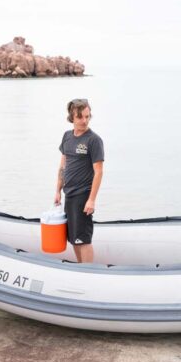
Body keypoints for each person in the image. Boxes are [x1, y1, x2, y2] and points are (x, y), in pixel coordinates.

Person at [54, 98, 104, 263]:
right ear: (72, 118)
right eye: (80, 117)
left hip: (84, 196)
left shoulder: (94, 140)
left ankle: (88, 272)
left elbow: (98, 172)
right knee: (74, 238)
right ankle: (80, 268)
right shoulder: (67, 137)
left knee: (83, 239)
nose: (84, 121)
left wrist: (91, 200)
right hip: (69, 195)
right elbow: (63, 165)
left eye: (87, 116)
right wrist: (57, 190)